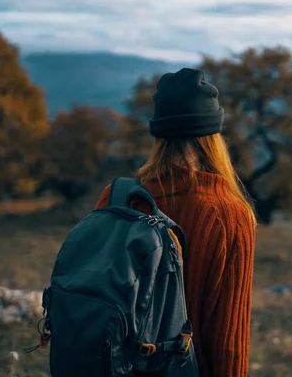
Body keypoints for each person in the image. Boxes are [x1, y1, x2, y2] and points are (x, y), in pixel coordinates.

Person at [94, 68, 257, 377]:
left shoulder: (116, 199)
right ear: (213, 137)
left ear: (159, 133)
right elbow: (228, 343)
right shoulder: (230, 215)